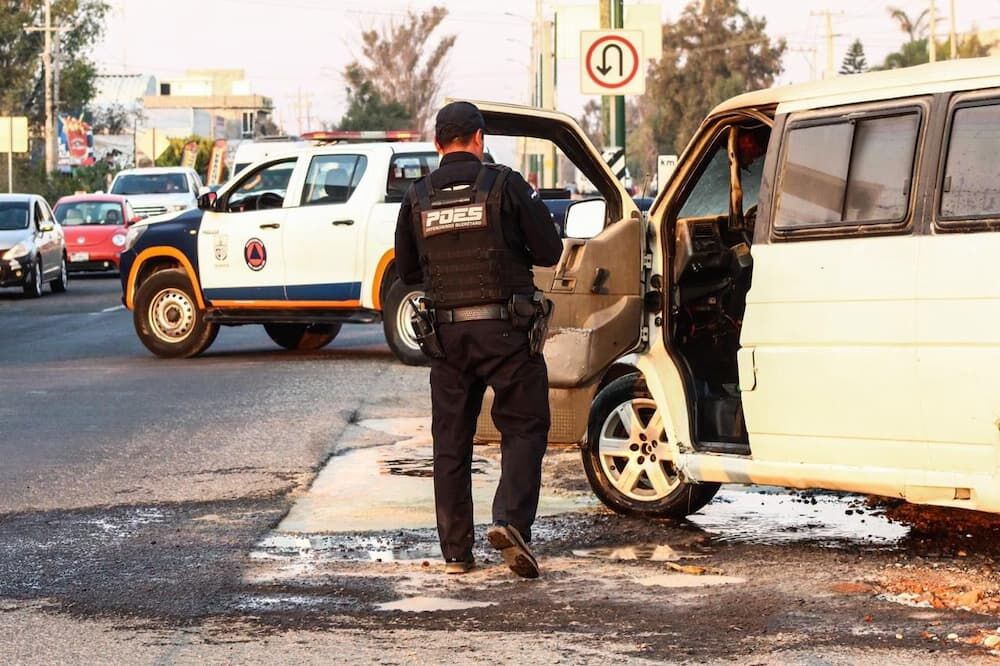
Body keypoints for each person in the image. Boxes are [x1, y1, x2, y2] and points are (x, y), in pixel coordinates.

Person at [394, 101, 563, 578]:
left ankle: (455, 552)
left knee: (451, 441)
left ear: (438, 144)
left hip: (446, 337)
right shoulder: (506, 185)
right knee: (524, 427)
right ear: (480, 139)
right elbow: (549, 251)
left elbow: (408, 271)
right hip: (507, 331)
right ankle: (509, 522)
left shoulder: (417, 197)